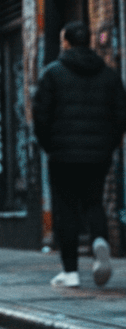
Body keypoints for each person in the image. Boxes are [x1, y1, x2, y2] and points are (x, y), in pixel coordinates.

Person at [33, 21, 126, 288]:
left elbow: (40, 116)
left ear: (66, 42)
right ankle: (100, 241)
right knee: (93, 202)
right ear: (89, 41)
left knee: (66, 210)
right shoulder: (109, 75)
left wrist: (50, 146)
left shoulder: (52, 73)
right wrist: (108, 145)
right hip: (98, 155)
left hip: (63, 155)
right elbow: (121, 116)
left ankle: (71, 272)